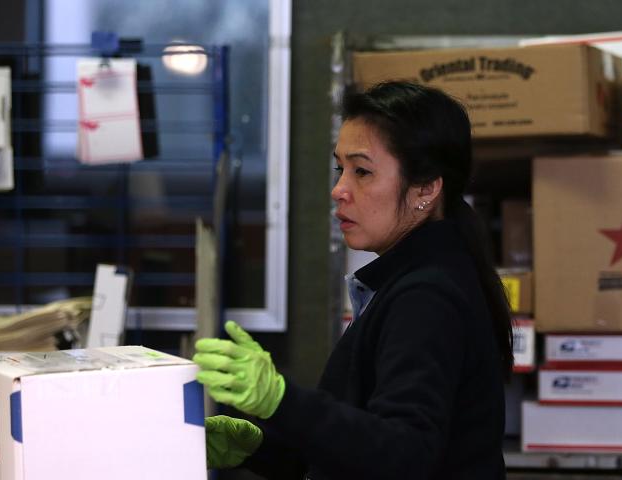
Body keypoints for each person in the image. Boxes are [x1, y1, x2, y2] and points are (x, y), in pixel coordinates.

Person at [193, 80, 513, 479]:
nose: (339, 190)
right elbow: (360, 444)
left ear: (426, 189)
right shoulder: (413, 278)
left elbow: (404, 454)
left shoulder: (427, 296)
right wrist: (261, 449)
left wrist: (281, 401)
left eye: (362, 171)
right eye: (340, 168)